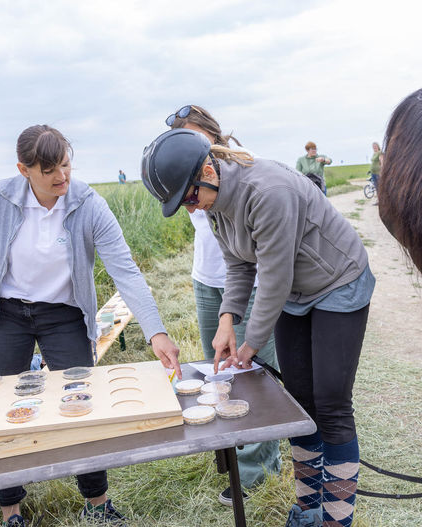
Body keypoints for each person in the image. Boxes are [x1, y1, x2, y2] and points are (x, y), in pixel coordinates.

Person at [141, 128, 374, 527]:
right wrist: (228, 319)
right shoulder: (214, 205)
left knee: (331, 403)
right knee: (300, 402)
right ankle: (307, 509)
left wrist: (250, 344)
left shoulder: (268, 192)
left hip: (337, 282)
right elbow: (239, 264)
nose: (191, 209)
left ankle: (336, 520)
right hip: (297, 294)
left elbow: (274, 278)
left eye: (190, 198)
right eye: (183, 204)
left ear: (207, 172)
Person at [0, 124, 182, 527]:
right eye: (49, 170)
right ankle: (10, 508)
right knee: (7, 406)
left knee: (81, 402)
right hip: (7, 313)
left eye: (65, 165)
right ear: (24, 170)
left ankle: (97, 502)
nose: (61, 176)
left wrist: (156, 331)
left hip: (65, 314)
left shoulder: (88, 204)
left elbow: (125, 271)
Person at [165, 104, 282, 505]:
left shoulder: (241, 171)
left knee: (253, 373)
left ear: (213, 136)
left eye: (197, 137)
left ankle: (258, 469)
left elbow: (258, 254)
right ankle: (229, 453)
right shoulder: (186, 181)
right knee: (218, 375)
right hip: (208, 281)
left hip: (246, 281)